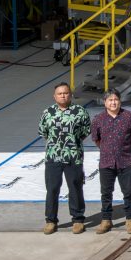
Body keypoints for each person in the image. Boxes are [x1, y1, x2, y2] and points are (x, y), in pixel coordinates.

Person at [39, 82, 91, 234]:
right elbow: (44, 132)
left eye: (66, 93)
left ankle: (78, 219)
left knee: (75, 187)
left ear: (70, 94)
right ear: (54, 96)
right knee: (52, 189)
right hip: (53, 157)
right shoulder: (47, 112)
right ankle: (50, 220)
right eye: (60, 93)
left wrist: (71, 144)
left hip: (73, 156)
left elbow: (85, 130)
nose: (63, 95)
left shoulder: (79, 111)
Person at [90, 89, 131, 235]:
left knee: (128, 192)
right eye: (110, 100)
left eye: (116, 99)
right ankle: (106, 219)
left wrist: (125, 149)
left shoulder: (130, 117)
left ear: (120, 101)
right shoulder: (98, 119)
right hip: (106, 162)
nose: (113, 102)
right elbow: (96, 139)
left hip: (125, 161)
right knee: (106, 193)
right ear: (105, 102)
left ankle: (130, 219)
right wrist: (108, 150)